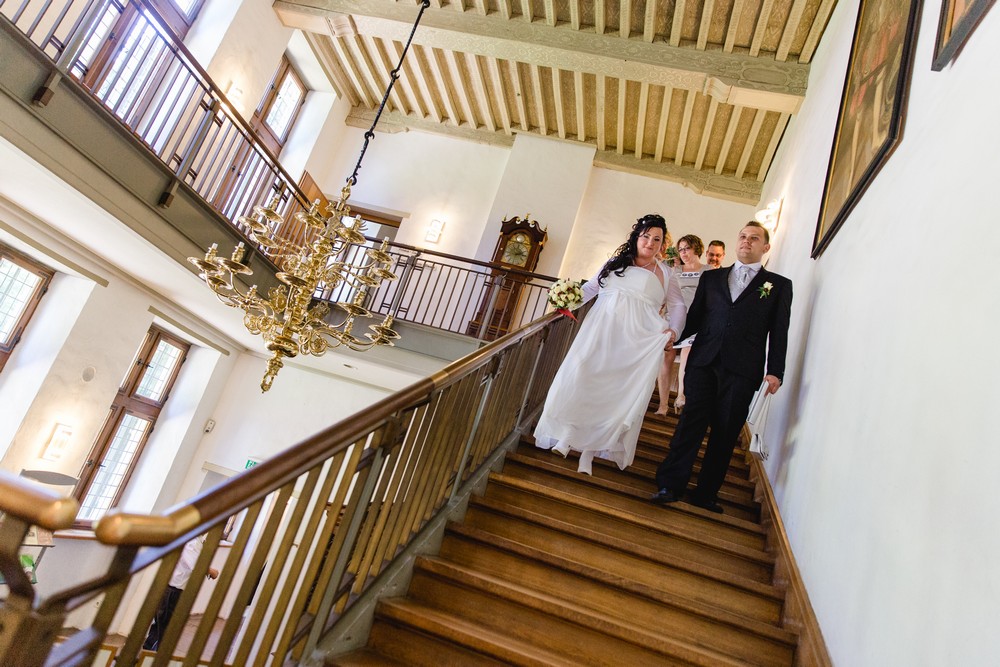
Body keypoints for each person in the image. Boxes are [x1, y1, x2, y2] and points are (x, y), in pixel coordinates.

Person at [652, 221, 792, 513]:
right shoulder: (713, 278)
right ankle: (670, 484)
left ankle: (706, 493)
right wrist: (672, 335)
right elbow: (696, 318)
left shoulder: (778, 286)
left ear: (765, 247)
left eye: (754, 239)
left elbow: (780, 331)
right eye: (742, 236)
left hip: (743, 369)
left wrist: (775, 370)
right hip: (704, 361)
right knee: (691, 423)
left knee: (725, 432)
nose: (746, 241)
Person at [534, 214, 686, 475]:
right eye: (646, 236)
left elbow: (678, 305)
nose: (650, 242)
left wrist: (674, 330)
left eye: (657, 239)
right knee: (581, 377)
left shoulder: (666, 273)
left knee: (614, 394)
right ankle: (566, 436)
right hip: (600, 332)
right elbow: (591, 288)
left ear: (662, 245)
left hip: (635, 341)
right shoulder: (615, 263)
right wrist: (566, 297)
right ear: (637, 237)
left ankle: (589, 454)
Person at [654, 234, 709, 415]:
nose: (684, 252)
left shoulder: (708, 271)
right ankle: (663, 404)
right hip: (673, 318)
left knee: (687, 355)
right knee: (666, 358)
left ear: (697, 249)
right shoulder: (674, 271)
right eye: (681, 249)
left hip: (695, 321)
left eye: (687, 248)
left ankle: (681, 397)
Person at [143, 535, 219, 651]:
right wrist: (212, 571)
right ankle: (155, 656)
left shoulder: (193, 538)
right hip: (174, 589)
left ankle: (147, 654)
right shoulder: (193, 541)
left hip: (171, 586)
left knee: (160, 625)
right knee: (166, 628)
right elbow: (195, 565)